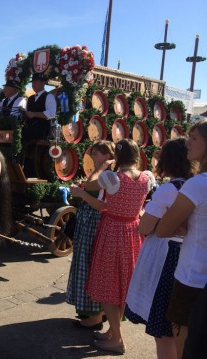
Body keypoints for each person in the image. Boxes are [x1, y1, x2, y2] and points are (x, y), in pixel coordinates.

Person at [125, 138, 194, 359]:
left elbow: (144, 227)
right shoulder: (195, 185)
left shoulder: (169, 190)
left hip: (165, 257)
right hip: (188, 255)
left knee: (164, 332)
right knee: (180, 328)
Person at [85, 138, 155, 355]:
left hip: (113, 231)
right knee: (123, 283)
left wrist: (101, 167)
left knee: (108, 285)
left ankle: (117, 339)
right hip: (133, 233)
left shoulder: (111, 178)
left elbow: (89, 185)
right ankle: (112, 331)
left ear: (119, 157)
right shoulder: (147, 177)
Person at [155, 119, 207, 359]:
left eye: (194, 138)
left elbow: (164, 228)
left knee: (186, 347)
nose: (188, 143)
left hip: (191, 277)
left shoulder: (198, 184)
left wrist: (180, 225)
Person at [66, 140, 115, 330]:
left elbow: (91, 189)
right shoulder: (106, 172)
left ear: (106, 155)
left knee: (88, 264)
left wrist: (80, 192)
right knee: (88, 264)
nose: (92, 156)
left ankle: (94, 315)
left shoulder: (106, 173)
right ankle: (96, 313)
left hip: (94, 222)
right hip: (90, 220)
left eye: (96, 153)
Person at [20, 72, 57, 141]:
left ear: (43, 83)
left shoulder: (49, 96)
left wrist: (34, 114)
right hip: (28, 132)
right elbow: (28, 114)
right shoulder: (30, 98)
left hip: (42, 134)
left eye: (35, 82)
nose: (33, 84)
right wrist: (23, 113)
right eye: (32, 82)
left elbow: (52, 114)